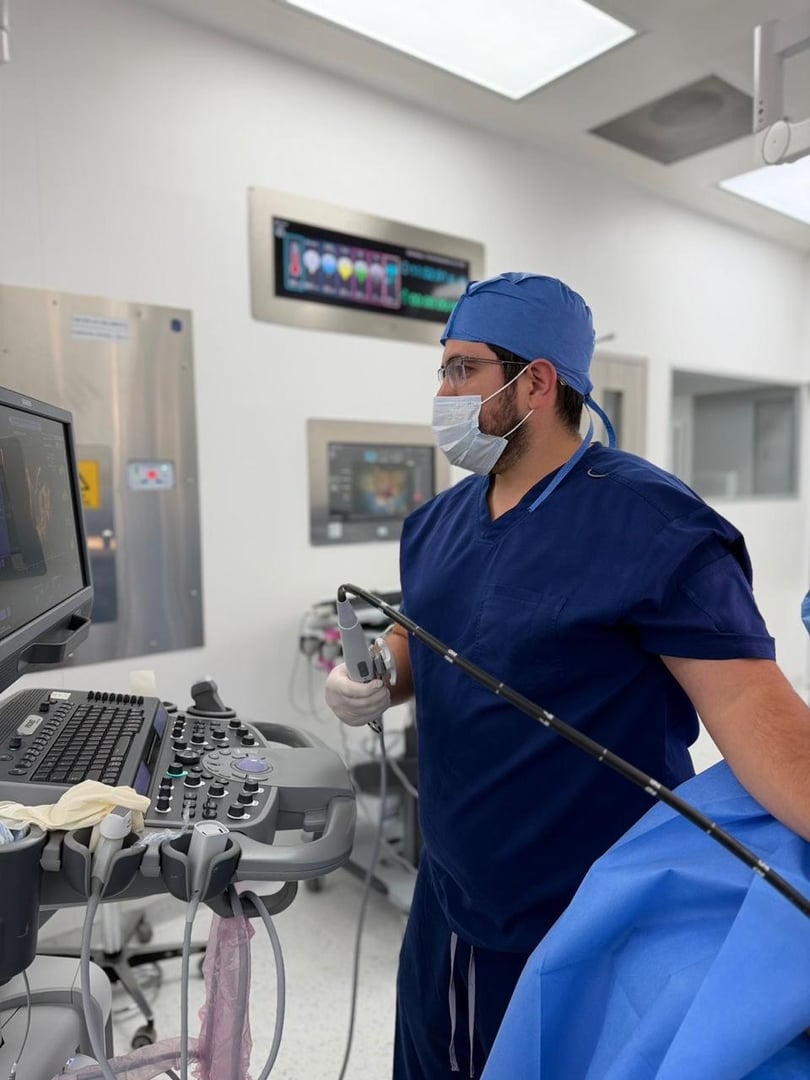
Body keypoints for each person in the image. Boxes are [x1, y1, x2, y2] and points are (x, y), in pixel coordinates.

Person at [324, 272, 810, 1079]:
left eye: (461, 370)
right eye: (441, 369)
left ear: (537, 382)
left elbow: (768, 727)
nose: (442, 392)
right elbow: (435, 635)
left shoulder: (656, 527)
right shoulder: (438, 523)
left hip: (582, 921)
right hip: (446, 900)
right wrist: (377, 675)